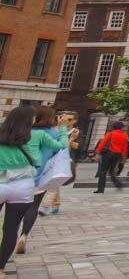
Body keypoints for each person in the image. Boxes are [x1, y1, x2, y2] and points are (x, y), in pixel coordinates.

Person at [16, 106, 70, 253]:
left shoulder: (24, 131)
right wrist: (63, 128)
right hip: (40, 176)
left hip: (17, 175)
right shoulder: (53, 133)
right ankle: (24, 235)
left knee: (14, 210)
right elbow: (64, 148)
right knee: (33, 206)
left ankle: (9, 235)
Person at [0, 104, 43, 271]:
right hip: (22, 187)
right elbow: (37, 162)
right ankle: (1, 268)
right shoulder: (32, 137)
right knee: (11, 228)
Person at [93, 120, 129, 192]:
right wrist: (124, 157)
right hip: (118, 155)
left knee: (103, 171)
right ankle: (118, 184)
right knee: (112, 170)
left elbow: (102, 143)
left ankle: (100, 188)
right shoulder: (125, 135)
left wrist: (97, 153)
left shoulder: (111, 133)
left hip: (109, 153)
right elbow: (125, 147)